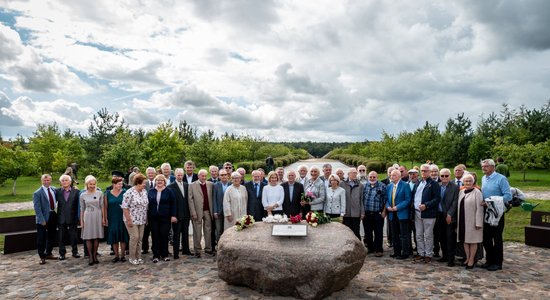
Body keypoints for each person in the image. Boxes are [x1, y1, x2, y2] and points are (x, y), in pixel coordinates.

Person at [481, 159, 512, 271]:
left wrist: (489, 201)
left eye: (486, 166)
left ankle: (498, 263)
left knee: (497, 238)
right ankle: (489, 260)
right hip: (486, 212)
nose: (483, 168)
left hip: (497, 213)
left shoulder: (501, 179)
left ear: (493, 167)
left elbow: (508, 196)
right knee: (486, 238)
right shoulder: (484, 178)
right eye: (483, 166)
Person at [413, 164, 441, 264]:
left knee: (428, 235)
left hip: (428, 213)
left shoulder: (434, 184)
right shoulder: (418, 183)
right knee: (419, 234)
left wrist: (426, 205)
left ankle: (428, 254)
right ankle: (421, 253)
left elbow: (437, 198)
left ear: (429, 172)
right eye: (422, 171)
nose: (424, 172)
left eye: (426, 171)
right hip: (417, 213)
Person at [457, 174, 484, 269]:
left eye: (470, 181)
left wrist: (478, 222)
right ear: (463, 182)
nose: (468, 183)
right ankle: (467, 258)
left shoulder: (477, 192)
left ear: (473, 182)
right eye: (466, 181)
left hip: (473, 221)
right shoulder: (462, 192)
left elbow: (480, 209)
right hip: (462, 220)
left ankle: (472, 259)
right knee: (465, 240)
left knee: (473, 241)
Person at [148, 174, 177, 262]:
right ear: (155, 181)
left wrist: (173, 215)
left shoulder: (169, 191)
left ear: (164, 182)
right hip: (153, 218)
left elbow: (174, 204)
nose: (159, 181)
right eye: (157, 180)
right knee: (155, 236)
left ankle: (164, 254)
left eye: (161, 180)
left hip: (165, 217)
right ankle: (155, 255)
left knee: (164, 235)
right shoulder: (151, 191)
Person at [122, 174, 149, 265]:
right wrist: (128, 219)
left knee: (140, 238)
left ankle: (139, 257)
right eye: (143, 183)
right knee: (135, 237)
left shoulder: (144, 191)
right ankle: (132, 257)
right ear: (138, 183)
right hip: (131, 219)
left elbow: (146, 206)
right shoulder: (129, 192)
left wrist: (146, 218)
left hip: (142, 219)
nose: (144, 185)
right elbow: (125, 207)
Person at [386, 169, 412, 260]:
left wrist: (397, 207)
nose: (391, 177)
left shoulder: (405, 185)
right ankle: (396, 252)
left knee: (404, 234)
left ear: (399, 176)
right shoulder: (389, 186)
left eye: (394, 175)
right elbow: (386, 199)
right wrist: (388, 206)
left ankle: (405, 253)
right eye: (391, 175)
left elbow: (408, 200)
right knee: (394, 234)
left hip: (402, 214)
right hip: (392, 214)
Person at [188, 169, 214, 257]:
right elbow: (190, 200)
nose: (204, 177)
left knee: (208, 230)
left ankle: (208, 248)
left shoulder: (210, 184)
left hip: (207, 211)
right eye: (202, 176)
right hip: (197, 211)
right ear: (198, 176)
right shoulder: (192, 185)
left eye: (205, 176)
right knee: (197, 231)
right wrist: (193, 212)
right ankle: (197, 250)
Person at [436, 168, 459, 267]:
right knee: (441, 237)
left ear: (450, 176)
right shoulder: (438, 186)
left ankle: (451, 259)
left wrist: (449, 214)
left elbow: (455, 202)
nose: (444, 178)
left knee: (450, 238)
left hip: (450, 216)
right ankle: (444, 256)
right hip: (439, 215)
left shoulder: (455, 187)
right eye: (442, 176)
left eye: (446, 176)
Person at [33, 174, 58, 264]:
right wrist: (42, 220)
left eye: (48, 180)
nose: (46, 182)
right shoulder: (37, 193)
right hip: (42, 218)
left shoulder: (54, 189)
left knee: (52, 236)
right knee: (41, 238)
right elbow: (37, 208)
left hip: (52, 215)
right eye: (44, 180)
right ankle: (42, 256)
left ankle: (48, 253)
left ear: (50, 181)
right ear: (42, 181)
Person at [103, 177, 129, 263]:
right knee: (114, 236)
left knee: (123, 235)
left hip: (122, 217)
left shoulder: (125, 193)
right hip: (112, 217)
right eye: (119, 184)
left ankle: (123, 255)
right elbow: (105, 207)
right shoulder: (107, 194)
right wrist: (105, 218)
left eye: (121, 184)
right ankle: (116, 255)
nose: (121, 185)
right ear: (114, 184)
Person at [80, 175, 104, 266]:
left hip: (97, 215)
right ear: (87, 184)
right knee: (88, 237)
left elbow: (102, 206)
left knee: (96, 236)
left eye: (94, 184)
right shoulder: (82, 195)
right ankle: (90, 256)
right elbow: (82, 209)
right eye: (90, 184)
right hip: (88, 215)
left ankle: (95, 255)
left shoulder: (100, 193)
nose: (92, 186)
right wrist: (81, 221)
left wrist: (103, 218)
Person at [56, 174, 81, 260]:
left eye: (66, 180)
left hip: (72, 217)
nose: (64, 182)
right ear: (60, 182)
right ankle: (62, 253)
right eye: (63, 180)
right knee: (61, 236)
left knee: (73, 236)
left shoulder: (76, 191)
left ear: (70, 182)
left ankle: (75, 252)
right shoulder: (57, 191)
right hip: (61, 217)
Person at [168, 168, 191, 259]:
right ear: (175, 175)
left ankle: (186, 250)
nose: (180, 177)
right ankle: (176, 253)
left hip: (186, 214)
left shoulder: (186, 185)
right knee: (176, 235)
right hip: (176, 215)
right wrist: (172, 215)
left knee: (186, 233)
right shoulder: (171, 186)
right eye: (178, 175)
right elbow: (170, 203)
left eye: (181, 175)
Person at [363, 171, 386, 256]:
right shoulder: (364, 186)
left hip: (378, 213)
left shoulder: (382, 186)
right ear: (368, 177)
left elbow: (385, 200)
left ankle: (378, 249)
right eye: (370, 177)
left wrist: (384, 211)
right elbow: (361, 200)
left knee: (378, 232)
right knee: (368, 232)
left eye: (374, 177)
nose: (372, 178)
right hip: (367, 213)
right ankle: (370, 248)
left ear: (377, 177)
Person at [340, 168, 364, 240]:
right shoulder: (342, 184)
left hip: (356, 213)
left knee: (356, 231)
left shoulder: (360, 185)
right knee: (347, 232)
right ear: (348, 174)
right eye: (353, 173)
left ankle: (359, 249)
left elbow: (362, 199)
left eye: (356, 173)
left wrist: (362, 212)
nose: (355, 174)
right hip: (346, 213)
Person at [212, 169, 231, 244]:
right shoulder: (216, 185)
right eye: (222, 175)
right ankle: (219, 246)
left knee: (228, 229)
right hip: (219, 211)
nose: (224, 176)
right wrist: (215, 211)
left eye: (225, 174)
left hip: (229, 212)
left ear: (228, 175)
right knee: (219, 229)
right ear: (219, 176)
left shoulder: (231, 184)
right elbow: (214, 199)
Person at [142, 167, 156, 255]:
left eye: (152, 173)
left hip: (155, 210)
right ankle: (145, 248)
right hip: (145, 211)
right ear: (147, 174)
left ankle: (155, 247)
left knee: (155, 231)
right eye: (149, 173)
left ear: (154, 174)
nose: (150, 175)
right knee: (145, 232)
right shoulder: (144, 183)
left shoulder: (158, 182)